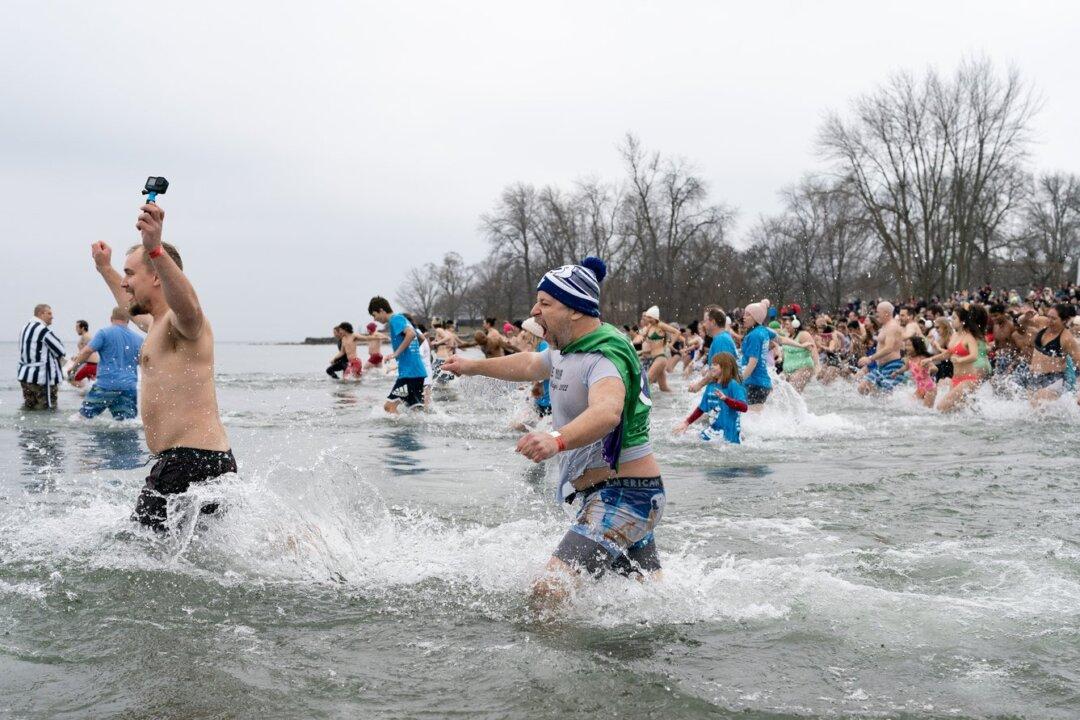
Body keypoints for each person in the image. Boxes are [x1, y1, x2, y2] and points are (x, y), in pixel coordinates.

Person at [442, 257, 663, 606]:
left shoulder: (605, 355)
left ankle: (550, 663)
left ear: (575, 309)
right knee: (650, 602)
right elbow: (531, 364)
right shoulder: (566, 349)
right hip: (614, 494)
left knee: (547, 592)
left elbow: (607, 412)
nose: (535, 310)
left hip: (623, 496)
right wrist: (473, 366)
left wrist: (556, 440)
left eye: (545, 303)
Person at [90, 198, 235, 533]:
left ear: (157, 277)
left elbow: (190, 307)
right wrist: (104, 269)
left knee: (134, 555)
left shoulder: (182, 323)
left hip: (188, 462)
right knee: (199, 563)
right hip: (199, 461)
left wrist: (155, 249)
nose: (124, 282)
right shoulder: (155, 324)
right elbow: (129, 306)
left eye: (130, 274)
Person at [68, 306, 143, 420]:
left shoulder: (104, 333)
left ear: (111, 318)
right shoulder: (138, 339)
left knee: (80, 419)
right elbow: (142, 361)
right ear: (128, 320)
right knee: (125, 423)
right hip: (129, 386)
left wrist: (73, 368)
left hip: (106, 385)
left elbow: (87, 351)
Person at [368, 296, 427, 413]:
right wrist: (411, 354)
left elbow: (410, 334)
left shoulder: (395, 319)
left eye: (374, 315)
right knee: (416, 411)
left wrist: (396, 354)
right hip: (417, 372)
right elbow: (421, 337)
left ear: (381, 310)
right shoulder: (403, 319)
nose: (375, 319)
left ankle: (400, 432)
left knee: (389, 407)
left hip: (409, 374)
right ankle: (416, 431)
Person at [675, 353, 747, 443]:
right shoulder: (711, 386)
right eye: (712, 364)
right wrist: (686, 423)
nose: (712, 367)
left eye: (715, 364)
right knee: (680, 437)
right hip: (712, 432)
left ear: (725, 367)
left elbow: (744, 407)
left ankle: (740, 434)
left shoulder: (733, 385)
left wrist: (726, 399)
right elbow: (701, 408)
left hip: (729, 436)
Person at [1023, 303, 1080, 404]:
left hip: (1054, 380)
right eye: (1048, 316)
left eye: (1053, 319)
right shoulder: (1043, 322)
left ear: (1064, 320)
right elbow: (1021, 322)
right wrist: (1024, 317)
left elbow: (1078, 363)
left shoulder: (1066, 339)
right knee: (1030, 410)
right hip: (1035, 376)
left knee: (1038, 403)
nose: (1049, 321)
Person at [17, 304, 66, 410]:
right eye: (49, 313)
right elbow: (60, 350)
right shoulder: (42, 330)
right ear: (41, 314)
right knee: (47, 410)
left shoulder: (25, 328)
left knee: (29, 409)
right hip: (41, 379)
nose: (52, 316)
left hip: (25, 377)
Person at [857, 302, 906, 394]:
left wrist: (870, 358)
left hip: (892, 366)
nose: (876, 314)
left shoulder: (892, 326)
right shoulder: (885, 326)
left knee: (885, 397)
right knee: (862, 388)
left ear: (886, 313)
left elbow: (889, 348)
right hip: (881, 367)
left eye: (878, 312)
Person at [739, 301, 775, 410]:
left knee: (751, 418)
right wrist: (801, 345)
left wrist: (739, 380)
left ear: (756, 318)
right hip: (763, 383)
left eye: (748, 315)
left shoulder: (754, 335)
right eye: (744, 314)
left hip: (755, 383)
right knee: (756, 419)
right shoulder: (764, 330)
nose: (744, 317)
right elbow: (781, 339)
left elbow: (753, 363)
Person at [639, 306, 680, 392]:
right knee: (664, 388)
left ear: (655, 317)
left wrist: (671, 344)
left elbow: (677, 332)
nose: (648, 319)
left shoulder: (660, 325)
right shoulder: (650, 327)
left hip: (660, 358)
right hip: (655, 359)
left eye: (650, 317)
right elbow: (649, 344)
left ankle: (641, 403)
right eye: (647, 317)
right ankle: (678, 396)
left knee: (645, 382)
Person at [68, 319, 99, 389]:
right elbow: (84, 351)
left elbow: (86, 352)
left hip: (89, 366)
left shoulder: (86, 337)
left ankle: (84, 392)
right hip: (93, 366)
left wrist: (73, 368)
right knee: (91, 384)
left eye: (77, 327)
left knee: (72, 380)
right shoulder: (86, 336)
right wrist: (77, 356)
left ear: (83, 328)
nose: (76, 329)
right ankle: (86, 393)